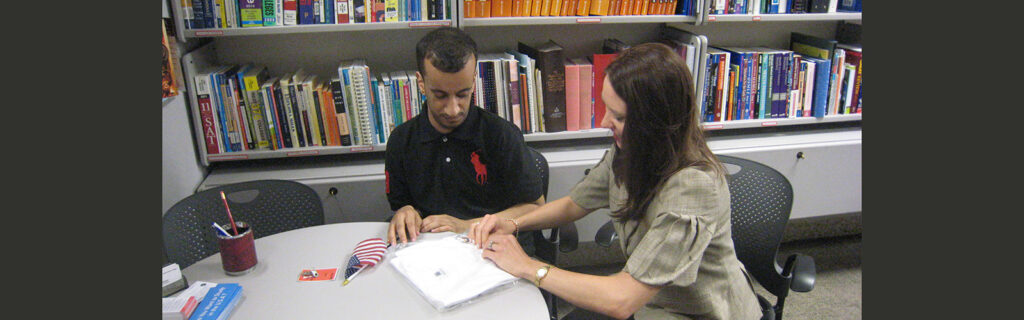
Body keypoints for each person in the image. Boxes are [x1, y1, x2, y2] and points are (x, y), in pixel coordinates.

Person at [468, 43, 763, 320]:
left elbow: (621, 300)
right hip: (649, 300)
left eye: (619, 117)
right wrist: (514, 224)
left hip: (699, 313)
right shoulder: (632, 149)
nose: (604, 122)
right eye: (607, 108)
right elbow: (575, 204)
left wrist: (528, 266)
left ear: (656, 122)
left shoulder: (693, 188)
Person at [384, 27, 545, 250]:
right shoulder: (401, 141)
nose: (453, 109)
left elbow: (536, 207)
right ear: (421, 83)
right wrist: (406, 212)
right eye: (440, 95)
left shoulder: (501, 134)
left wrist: (465, 226)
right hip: (430, 252)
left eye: (463, 94)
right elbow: (402, 205)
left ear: (474, 79)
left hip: (492, 249)